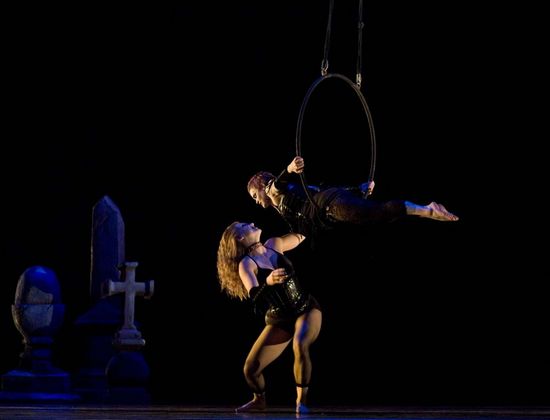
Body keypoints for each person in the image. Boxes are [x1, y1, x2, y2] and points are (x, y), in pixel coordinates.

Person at [217, 221, 322, 415]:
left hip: (306, 309)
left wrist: (311, 212)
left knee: (299, 344)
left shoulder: (274, 244)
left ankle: (301, 402)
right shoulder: (246, 264)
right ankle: (259, 400)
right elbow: (255, 298)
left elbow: (302, 233)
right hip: (280, 319)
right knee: (250, 369)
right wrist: (267, 281)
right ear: (240, 238)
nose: (251, 223)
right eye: (244, 225)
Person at [247, 156, 459, 238]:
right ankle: (424, 211)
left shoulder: (274, 193)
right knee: (377, 215)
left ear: (261, 185)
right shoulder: (290, 198)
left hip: (328, 205)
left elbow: (275, 186)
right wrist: (358, 189)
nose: (257, 200)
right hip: (329, 205)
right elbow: (321, 190)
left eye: (254, 195)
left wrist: (290, 168)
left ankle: (427, 209)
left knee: (377, 213)